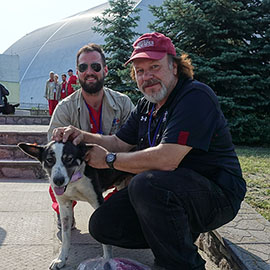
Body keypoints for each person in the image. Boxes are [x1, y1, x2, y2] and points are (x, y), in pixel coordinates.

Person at [52, 32, 246, 270]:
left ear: (174, 67)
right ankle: (173, 242)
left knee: (146, 184)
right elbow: (117, 141)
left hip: (217, 195)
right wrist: (82, 135)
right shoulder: (146, 105)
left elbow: (167, 159)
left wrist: (110, 160)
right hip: (172, 194)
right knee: (103, 225)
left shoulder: (194, 96)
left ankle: (183, 264)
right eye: (140, 71)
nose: (147, 76)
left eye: (154, 66)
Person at [47, 43, 134, 230]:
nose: (89, 72)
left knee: (136, 179)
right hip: (80, 170)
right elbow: (51, 150)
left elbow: (137, 143)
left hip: (114, 166)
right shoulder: (64, 108)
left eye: (95, 67)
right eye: (83, 67)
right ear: (77, 73)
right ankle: (65, 215)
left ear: (105, 70)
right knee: (57, 178)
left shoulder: (124, 103)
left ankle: (114, 212)